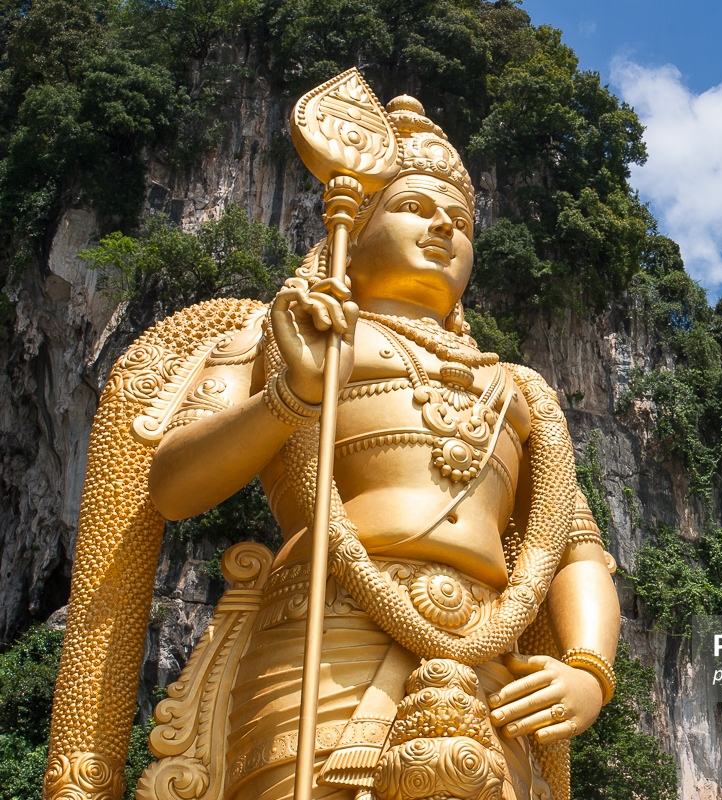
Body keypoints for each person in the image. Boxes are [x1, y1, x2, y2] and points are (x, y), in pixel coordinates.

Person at [44, 95, 619, 800]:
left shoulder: (521, 391)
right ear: (359, 224)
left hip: (488, 665)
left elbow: (574, 548)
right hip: (326, 636)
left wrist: (588, 668)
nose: (444, 226)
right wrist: (293, 396)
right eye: (415, 207)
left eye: (463, 222)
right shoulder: (285, 334)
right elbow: (172, 486)